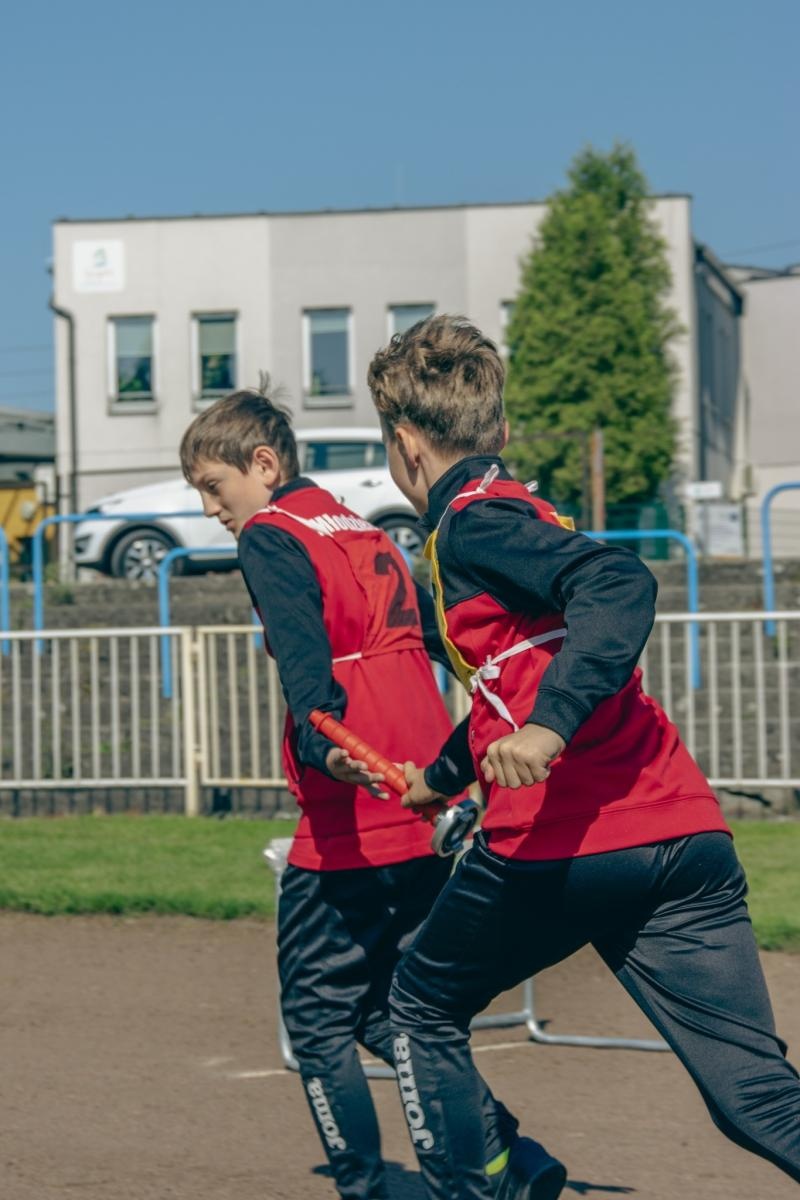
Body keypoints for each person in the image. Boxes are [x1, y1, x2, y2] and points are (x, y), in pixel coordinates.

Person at [366, 315, 800, 1200]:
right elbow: (512, 681)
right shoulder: (520, 510)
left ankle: (501, 1183)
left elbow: (619, 582)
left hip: (568, 844)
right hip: (682, 836)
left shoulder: (471, 526)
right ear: (503, 433)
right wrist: (443, 777)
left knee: (410, 1010)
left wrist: (551, 729)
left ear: (405, 444)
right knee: (755, 1096)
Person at [179, 385, 567, 1200]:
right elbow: (442, 640)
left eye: (214, 487)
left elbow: (305, 678)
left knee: (321, 1022)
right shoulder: (365, 530)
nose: (211, 508)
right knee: (398, 1014)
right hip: (423, 792)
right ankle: (510, 1158)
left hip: (353, 808)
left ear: (263, 463)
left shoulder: (270, 534)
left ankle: (369, 1186)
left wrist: (324, 747)